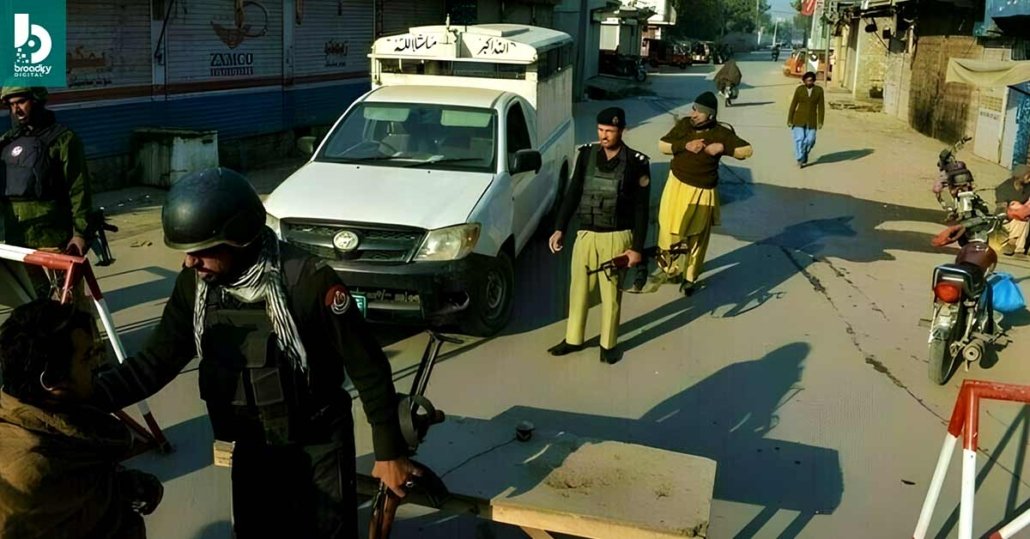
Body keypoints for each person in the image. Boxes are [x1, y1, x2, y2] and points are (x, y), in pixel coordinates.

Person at [91, 168, 416, 538]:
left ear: (239, 239)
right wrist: (80, 399)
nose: (190, 263)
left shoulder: (308, 281)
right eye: (187, 253)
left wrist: (389, 453)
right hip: (252, 446)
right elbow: (154, 363)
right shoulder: (196, 287)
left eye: (202, 251)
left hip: (318, 442)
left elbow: (368, 367)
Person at [0, 299, 163, 539]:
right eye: (86, 358)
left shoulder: (48, 411)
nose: (98, 366)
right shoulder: (35, 476)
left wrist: (120, 486)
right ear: (52, 380)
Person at [547, 107, 651, 364]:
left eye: (610, 131)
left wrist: (637, 249)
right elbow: (573, 193)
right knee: (578, 289)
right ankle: (573, 338)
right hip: (586, 235)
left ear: (622, 130)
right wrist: (560, 227)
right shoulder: (586, 155)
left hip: (617, 237)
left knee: (611, 294)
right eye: (600, 130)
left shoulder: (637, 162)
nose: (603, 136)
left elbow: (641, 209)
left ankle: (608, 344)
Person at [645, 91, 753, 296]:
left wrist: (722, 147)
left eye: (699, 111)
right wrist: (685, 145)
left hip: (703, 191)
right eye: (693, 109)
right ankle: (670, 269)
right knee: (668, 230)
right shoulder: (684, 125)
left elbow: (746, 150)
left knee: (697, 238)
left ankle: (690, 278)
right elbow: (662, 145)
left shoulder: (721, 132)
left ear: (710, 115)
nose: (693, 114)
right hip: (676, 185)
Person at [0, 86, 93, 300]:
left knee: (68, 300)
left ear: (37, 101)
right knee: (32, 299)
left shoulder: (64, 139)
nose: (16, 110)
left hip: (53, 236)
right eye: (11, 105)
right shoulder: (7, 141)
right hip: (17, 237)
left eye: (21, 102)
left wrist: (80, 233)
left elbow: (79, 188)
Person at [788, 72, 825, 168]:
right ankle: (800, 158)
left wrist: (820, 121)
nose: (809, 82)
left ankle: (804, 153)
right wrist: (790, 119)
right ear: (804, 81)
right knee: (799, 138)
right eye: (807, 80)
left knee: (810, 140)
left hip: (812, 120)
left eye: (811, 80)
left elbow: (821, 107)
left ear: (814, 81)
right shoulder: (799, 89)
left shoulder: (819, 90)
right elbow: (793, 104)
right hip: (798, 119)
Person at [996, 164, 1030, 255]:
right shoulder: (1004, 188)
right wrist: (1015, 209)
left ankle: (1015, 244)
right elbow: (1001, 208)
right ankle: (1016, 244)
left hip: (1021, 217)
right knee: (1021, 220)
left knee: (1023, 219)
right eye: (1028, 176)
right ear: (1020, 176)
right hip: (1006, 219)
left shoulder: (1028, 187)